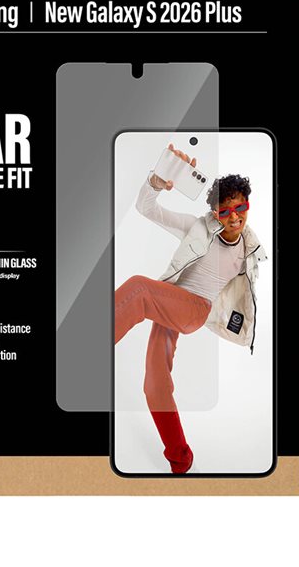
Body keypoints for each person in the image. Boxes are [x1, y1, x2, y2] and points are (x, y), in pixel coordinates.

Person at [114, 144, 267, 473]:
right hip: (171, 303)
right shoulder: (197, 227)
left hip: (194, 310)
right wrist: (158, 181)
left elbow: (244, 297)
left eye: (240, 208)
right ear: (214, 214)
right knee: (155, 384)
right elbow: (146, 208)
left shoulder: (249, 251)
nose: (234, 217)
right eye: (225, 211)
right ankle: (181, 459)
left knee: (139, 289)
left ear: (247, 205)